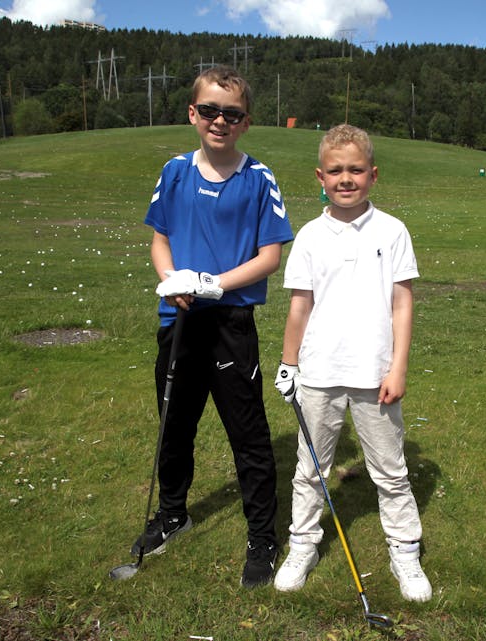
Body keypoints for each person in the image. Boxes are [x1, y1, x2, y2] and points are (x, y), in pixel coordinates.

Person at [133, 65, 294, 588]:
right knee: (174, 425)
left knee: (248, 435)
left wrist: (213, 283)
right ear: (192, 113)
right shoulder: (174, 171)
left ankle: (262, 537)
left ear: (245, 122)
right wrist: (171, 281)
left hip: (229, 321)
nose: (219, 121)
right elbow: (160, 239)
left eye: (232, 113)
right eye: (209, 111)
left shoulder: (258, 177)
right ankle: (173, 514)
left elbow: (270, 257)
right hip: (179, 318)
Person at [272, 124, 432, 601]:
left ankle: (404, 549)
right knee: (310, 469)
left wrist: (398, 367)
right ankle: (303, 545)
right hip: (319, 373)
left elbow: (402, 303)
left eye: (356, 170)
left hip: (374, 374)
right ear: (320, 177)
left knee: (391, 470)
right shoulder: (309, 236)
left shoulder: (392, 231)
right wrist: (289, 364)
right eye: (336, 170)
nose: (346, 178)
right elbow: (300, 306)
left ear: (373, 175)